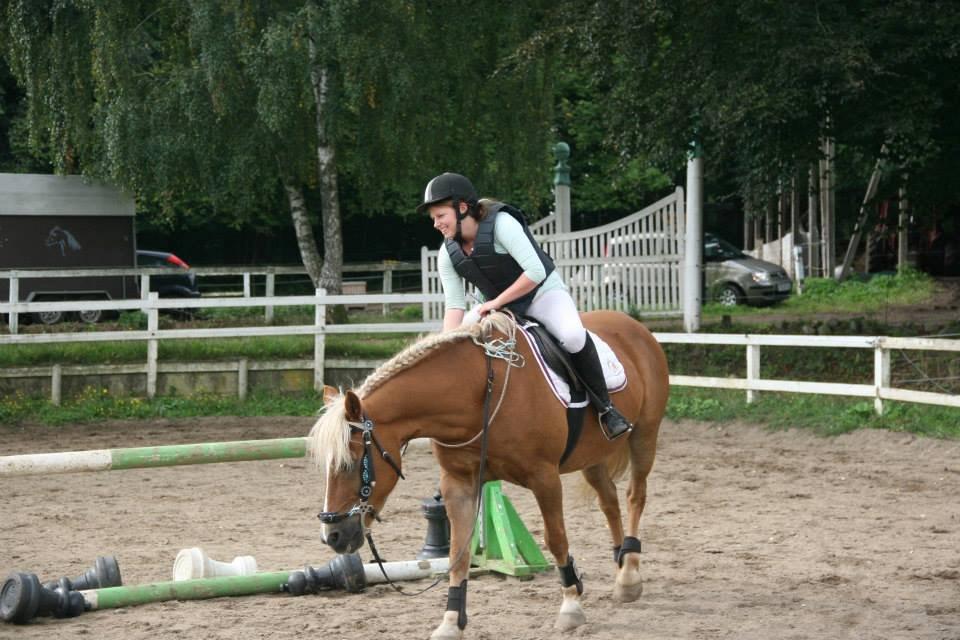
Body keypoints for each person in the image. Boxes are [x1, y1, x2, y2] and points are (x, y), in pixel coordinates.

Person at [417, 172, 632, 440]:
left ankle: (606, 409)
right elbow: (454, 305)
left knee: (574, 336)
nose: (436, 224)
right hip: (498, 307)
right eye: (434, 218)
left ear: (462, 208)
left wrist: (495, 303)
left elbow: (535, 270)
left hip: (542, 294)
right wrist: (445, 344)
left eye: (440, 216)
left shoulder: (502, 224)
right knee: (459, 346)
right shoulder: (446, 253)